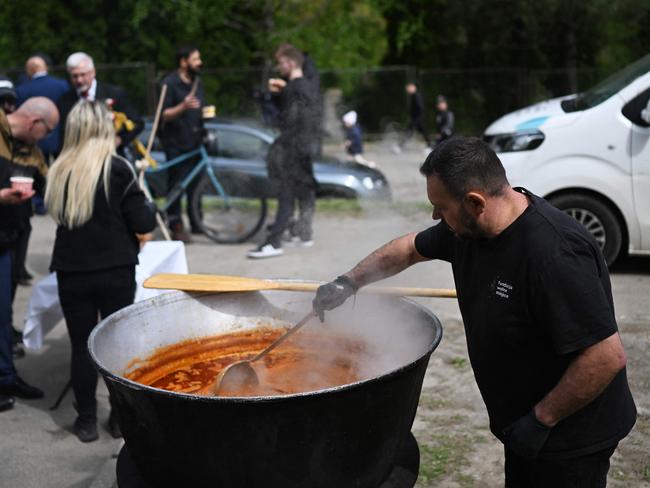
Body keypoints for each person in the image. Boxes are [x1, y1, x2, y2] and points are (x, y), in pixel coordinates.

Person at [313, 136, 636, 487]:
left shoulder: (553, 254)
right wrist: (348, 283)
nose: (436, 215)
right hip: (524, 423)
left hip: (570, 435)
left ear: (474, 201)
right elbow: (408, 248)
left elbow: (605, 355)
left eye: (440, 206)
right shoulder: (467, 230)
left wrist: (541, 420)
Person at [45, 101, 156, 442]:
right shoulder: (118, 168)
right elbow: (143, 222)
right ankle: (120, 418)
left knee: (81, 346)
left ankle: (86, 420)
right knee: (115, 346)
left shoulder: (59, 169)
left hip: (72, 270)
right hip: (114, 270)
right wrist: (145, 201)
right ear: (102, 128)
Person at [0, 97, 59, 412]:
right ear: (36, 124)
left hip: (9, 238)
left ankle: (7, 376)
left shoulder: (33, 153)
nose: (44, 139)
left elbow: (51, 188)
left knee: (3, 313)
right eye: (46, 132)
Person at [247, 45, 319, 258]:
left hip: (292, 147)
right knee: (305, 189)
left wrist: (267, 99)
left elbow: (283, 120)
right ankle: (304, 234)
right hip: (304, 146)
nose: (279, 67)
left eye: (280, 63)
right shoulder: (306, 86)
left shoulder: (294, 88)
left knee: (285, 193)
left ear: (290, 63)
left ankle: (274, 242)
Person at [57, 52, 143, 160]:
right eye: (75, 76)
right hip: (79, 159)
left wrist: (119, 139)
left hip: (111, 157)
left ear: (93, 72)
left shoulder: (114, 93)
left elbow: (137, 123)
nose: (79, 80)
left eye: (83, 74)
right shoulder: (65, 100)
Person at [159, 45, 205, 242]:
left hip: (196, 140)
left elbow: (200, 107)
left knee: (197, 184)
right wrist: (183, 106)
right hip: (176, 143)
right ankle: (176, 224)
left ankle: (197, 221)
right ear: (183, 61)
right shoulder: (170, 83)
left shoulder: (197, 81)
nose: (199, 63)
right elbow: (163, 114)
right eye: (195, 59)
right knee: (177, 185)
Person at [16, 54, 70, 164]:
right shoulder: (63, 85)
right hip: (61, 140)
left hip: (35, 143)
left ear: (31, 69)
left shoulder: (22, 90)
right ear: (45, 67)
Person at [394, 82, 432, 153]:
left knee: (410, 132)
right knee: (422, 132)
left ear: (413, 87)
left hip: (417, 118)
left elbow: (420, 107)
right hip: (417, 118)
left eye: (408, 88)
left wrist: (416, 117)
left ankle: (399, 146)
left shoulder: (416, 95)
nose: (407, 90)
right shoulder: (414, 95)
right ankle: (430, 146)